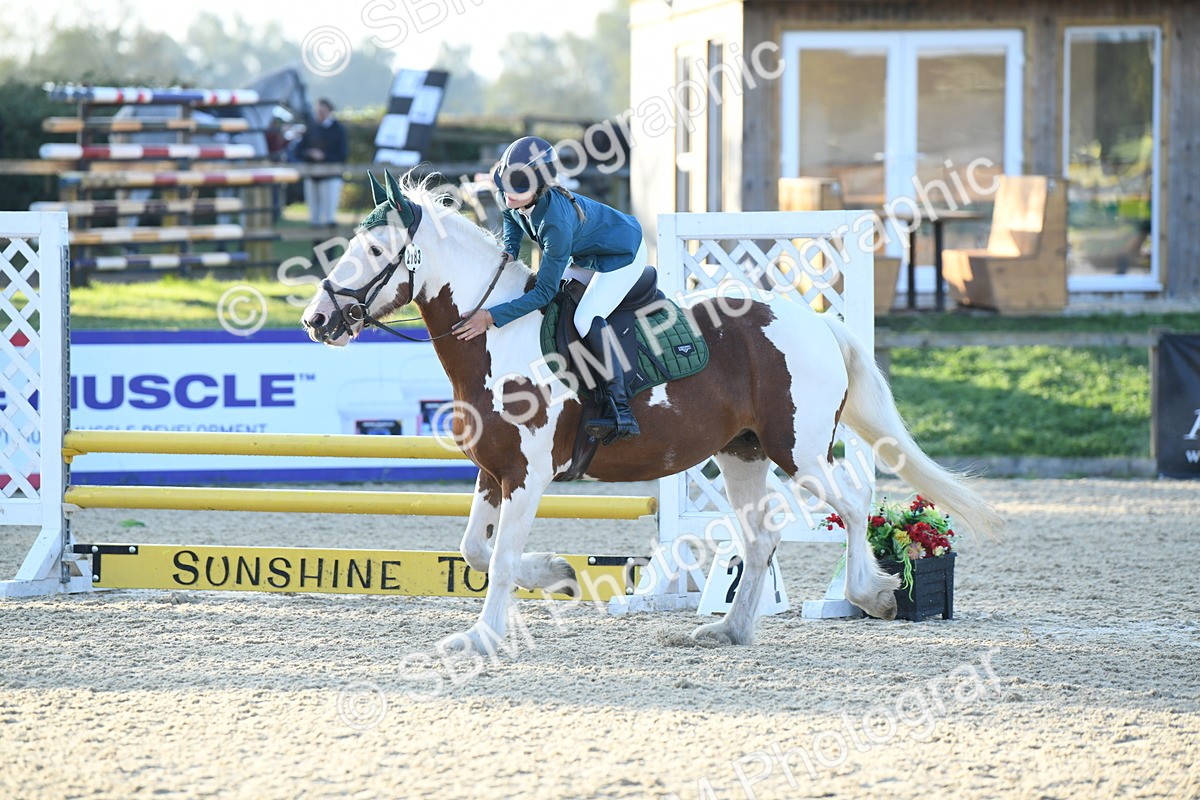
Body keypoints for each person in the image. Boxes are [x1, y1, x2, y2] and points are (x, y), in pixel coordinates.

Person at [454, 136, 648, 442]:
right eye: (505, 188)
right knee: (562, 307)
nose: (508, 197)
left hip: (623, 254)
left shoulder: (555, 223)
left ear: (539, 188)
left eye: (517, 190)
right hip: (588, 252)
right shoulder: (518, 197)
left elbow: (542, 293)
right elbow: (510, 217)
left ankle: (620, 408)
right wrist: (510, 249)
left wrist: (490, 317)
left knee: (585, 318)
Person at [296, 98, 348, 227]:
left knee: (329, 214)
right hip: (313, 175)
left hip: (331, 176)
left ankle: (330, 245)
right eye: (318, 111)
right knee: (314, 215)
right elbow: (298, 150)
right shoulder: (312, 127)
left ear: (329, 111)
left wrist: (324, 156)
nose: (320, 114)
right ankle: (316, 245)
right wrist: (309, 153)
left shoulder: (338, 129)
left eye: (323, 111)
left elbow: (342, 154)